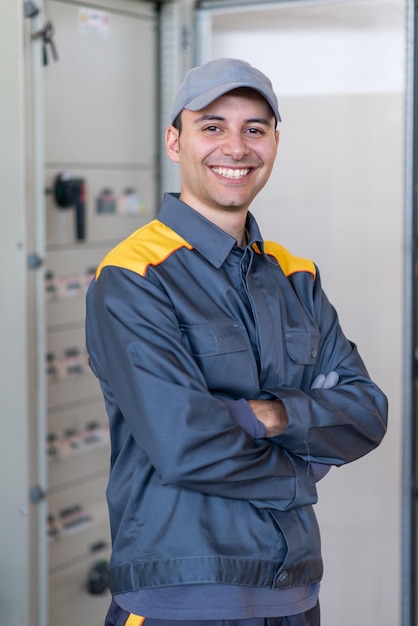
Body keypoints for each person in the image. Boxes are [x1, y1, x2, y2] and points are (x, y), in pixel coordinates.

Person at [86, 58, 388, 626]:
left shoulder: (296, 275)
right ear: (176, 142)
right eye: (212, 126)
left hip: (293, 593)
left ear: (275, 142)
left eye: (255, 128)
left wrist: (266, 415)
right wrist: (302, 461)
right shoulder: (133, 276)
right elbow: (184, 444)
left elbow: (366, 412)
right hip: (180, 597)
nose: (237, 146)